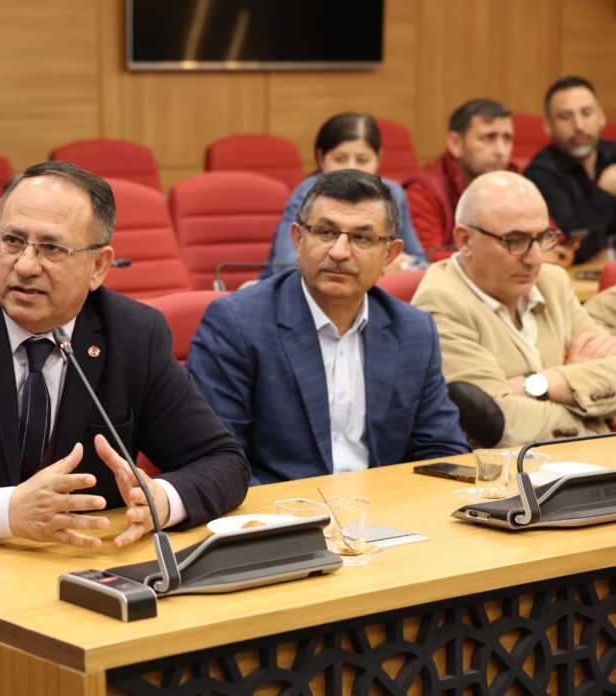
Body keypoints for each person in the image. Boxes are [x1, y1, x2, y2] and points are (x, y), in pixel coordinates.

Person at [0, 160, 249, 546]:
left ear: (98, 266)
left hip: (78, 562)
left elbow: (224, 462)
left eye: (51, 248)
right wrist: (9, 512)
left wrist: (161, 501)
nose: (25, 266)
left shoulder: (133, 335)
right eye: (13, 241)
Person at [188, 169, 468, 484]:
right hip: (279, 508)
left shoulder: (414, 331)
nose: (339, 252)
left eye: (361, 238)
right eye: (326, 232)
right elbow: (215, 461)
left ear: (389, 255)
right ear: (298, 239)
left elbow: (442, 451)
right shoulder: (237, 323)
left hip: (386, 507)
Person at [412, 171, 616, 446]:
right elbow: (500, 423)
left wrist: (537, 384)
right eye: (515, 241)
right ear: (465, 240)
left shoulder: (551, 281)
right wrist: (592, 414)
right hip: (502, 470)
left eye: (543, 237)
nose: (535, 258)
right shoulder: (439, 304)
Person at [258, 112, 425, 280]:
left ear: (378, 159)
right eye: (340, 159)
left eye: (362, 160)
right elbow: (285, 266)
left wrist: (399, 264)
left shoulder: (392, 194)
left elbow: (421, 263)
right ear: (321, 158)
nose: (352, 169)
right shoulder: (306, 195)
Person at [404, 99, 524, 262]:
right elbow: (428, 259)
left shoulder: (516, 180)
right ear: (455, 144)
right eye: (489, 138)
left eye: (507, 138)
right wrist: (508, 255)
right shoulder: (424, 190)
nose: (501, 151)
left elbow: (547, 237)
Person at [525, 76, 616, 265]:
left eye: (586, 113)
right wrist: (604, 192)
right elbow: (570, 248)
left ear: (601, 117)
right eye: (565, 116)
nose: (579, 126)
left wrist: (610, 253)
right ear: (548, 126)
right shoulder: (540, 174)